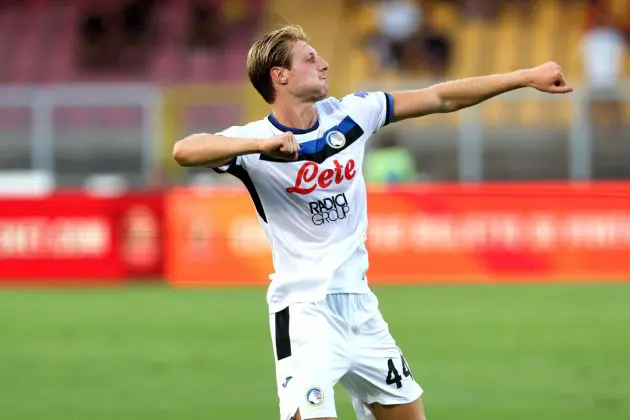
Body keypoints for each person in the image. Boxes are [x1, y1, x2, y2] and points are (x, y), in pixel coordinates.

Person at [172, 24, 572, 420]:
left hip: (362, 311)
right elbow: (185, 150)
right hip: (305, 315)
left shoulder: (353, 114)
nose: (325, 64)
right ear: (281, 76)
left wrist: (525, 77)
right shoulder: (254, 141)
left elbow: (441, 96)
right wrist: (259, 145)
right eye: (310, 59)